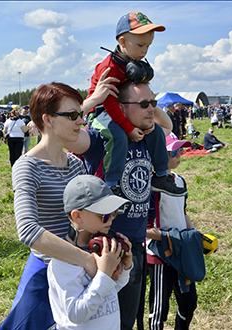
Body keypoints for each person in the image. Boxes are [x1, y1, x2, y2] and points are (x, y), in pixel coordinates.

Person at [0, 74, 120, 330]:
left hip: (75, 269)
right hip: (45, 268)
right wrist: (87, 261)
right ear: (48, 120)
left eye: (80, 114)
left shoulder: (75, 163)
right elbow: (28, 231)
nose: (81, 121)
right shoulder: (27, 166)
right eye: (73, 116)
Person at [65, 81, 170, 330]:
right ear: (120, 108)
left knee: (125, 321)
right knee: (97, 321)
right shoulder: (102, 139)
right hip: (100, 248)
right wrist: (96, 101)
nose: (151, 110)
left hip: (133, 246)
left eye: (153, 103)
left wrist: (147, 100)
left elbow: (168, 126)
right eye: (144, 104)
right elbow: (64, 133)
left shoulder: (148, 136)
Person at [86, 11, 186, 197]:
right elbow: (108, 104)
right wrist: (129, 128)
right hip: (101, 110)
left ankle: (161, 175)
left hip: (123, 109)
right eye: (140, 45)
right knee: (117, 135)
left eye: (148, 46)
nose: (145, 51)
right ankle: (112, 183)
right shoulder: (110, 68)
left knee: (155, 130)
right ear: (122, 42)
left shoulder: (133, 63)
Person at [47, 174, 133, 330]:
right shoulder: (62, 262)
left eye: (114, 213)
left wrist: (124, 270)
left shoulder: (101, 248)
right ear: (78, 216)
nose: (111, 219)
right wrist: (104, 275)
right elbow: (76, 315)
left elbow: (109, 292)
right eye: (105, 215)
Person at [146, 133, 198, 330]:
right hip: (160, 254)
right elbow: (145, 227)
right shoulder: (152, 185)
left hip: (182, 250)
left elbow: (182, 212)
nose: (179, 155)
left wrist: (193, 235)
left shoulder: (180, 181)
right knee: (160, 306)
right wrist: (168, 237)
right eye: (174, 151)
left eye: (181, 150)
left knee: (189, 301)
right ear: (159, 154)